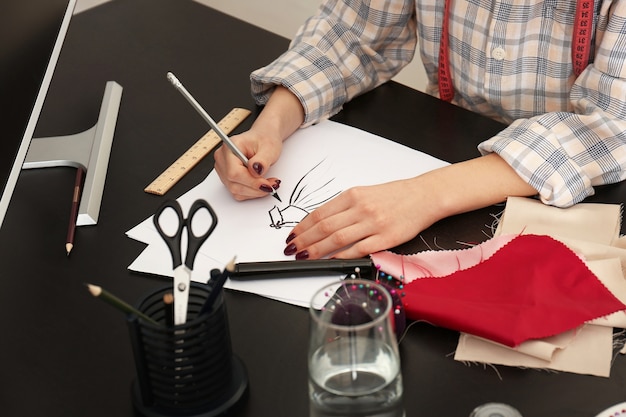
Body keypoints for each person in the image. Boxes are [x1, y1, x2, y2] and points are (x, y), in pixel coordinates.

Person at [214, 0, 626, 260]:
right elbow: (351, 34)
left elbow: (611, 124)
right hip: (450, 148)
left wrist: (424, 195)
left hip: (583, 189)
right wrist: (272, 124)